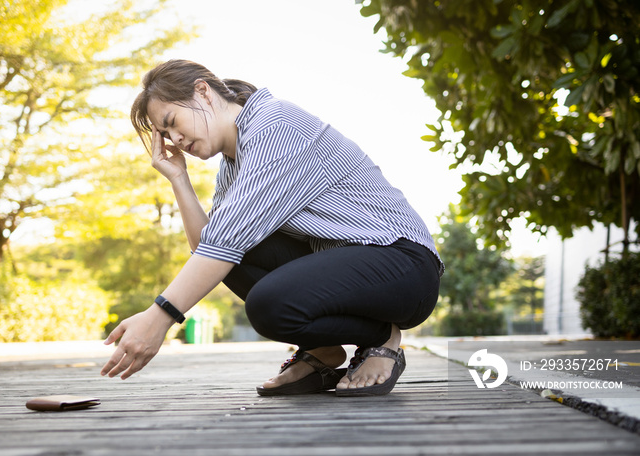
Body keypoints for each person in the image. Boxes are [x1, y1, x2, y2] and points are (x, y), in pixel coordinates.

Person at [100, 59, 444, 397]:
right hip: (350, 268)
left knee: (269, 305)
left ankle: (381, 337)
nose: (175, 139)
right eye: (164, 135)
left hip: (402, 264)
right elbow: (209, 246)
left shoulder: (275, 124)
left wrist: (159, 317)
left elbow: (221, 245)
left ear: (203, 92)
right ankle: (323, 350)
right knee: (231, 255)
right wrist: (179, 178)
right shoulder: (233, 165)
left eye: (172, 121)